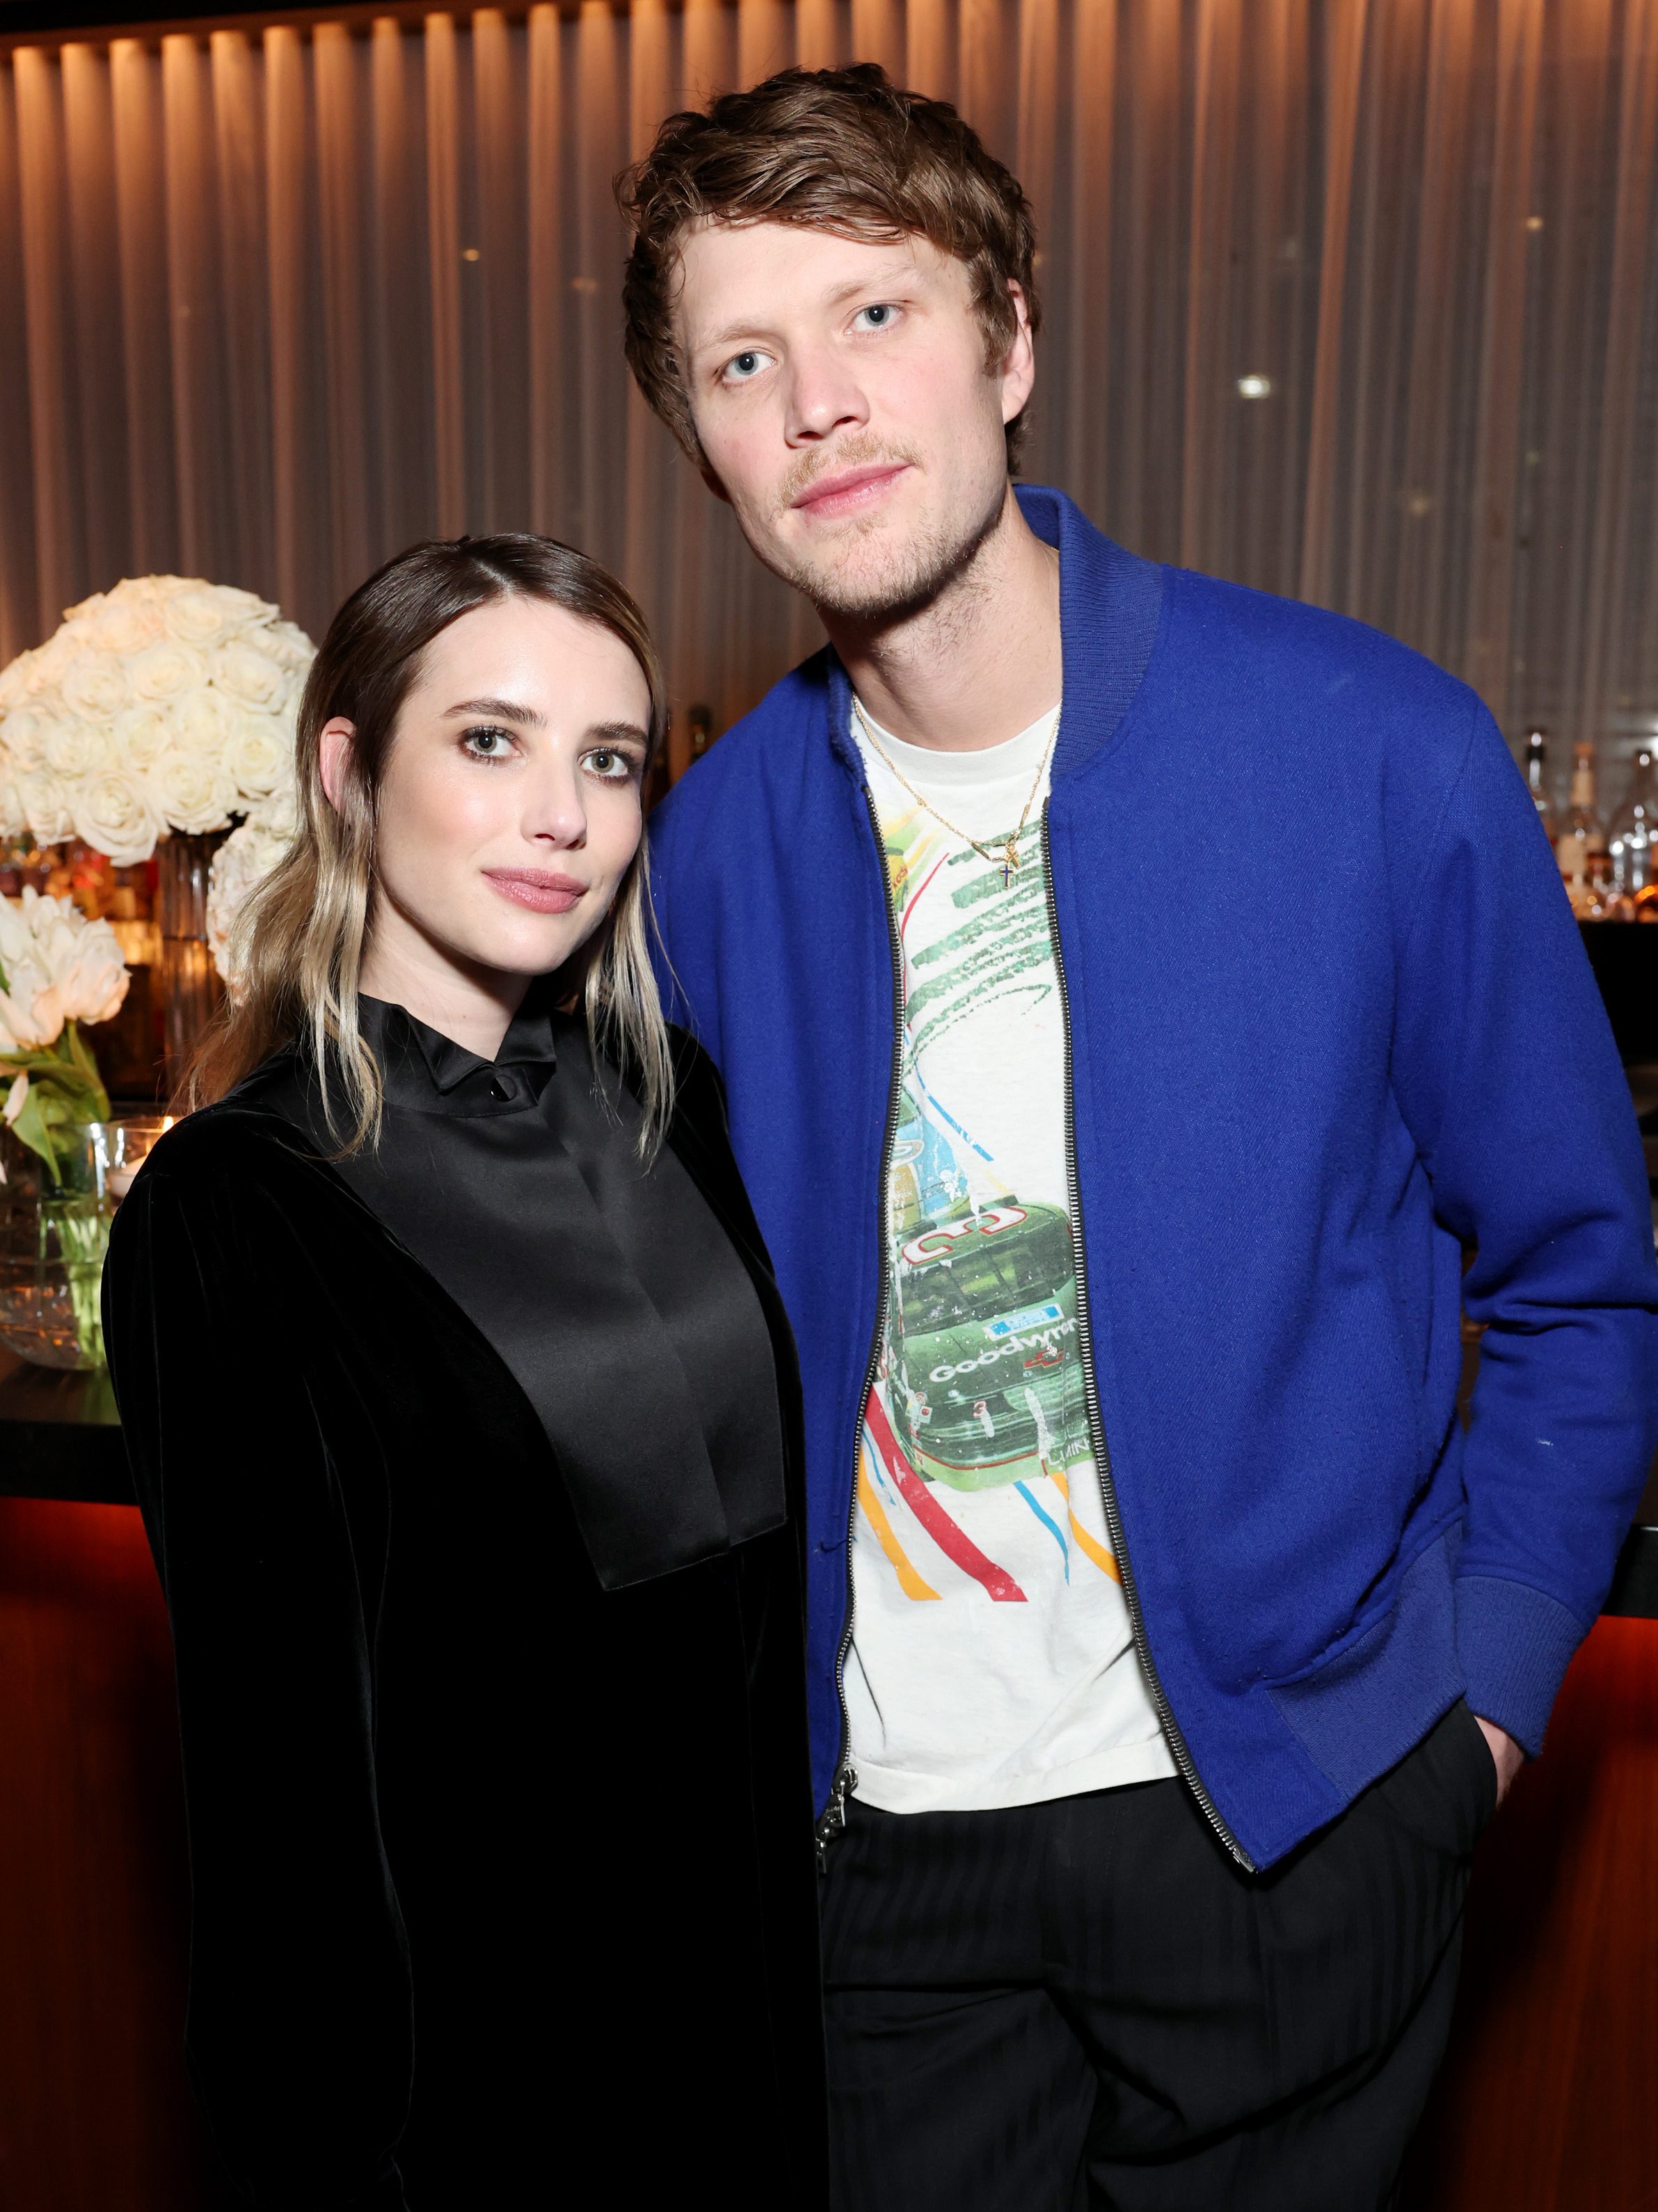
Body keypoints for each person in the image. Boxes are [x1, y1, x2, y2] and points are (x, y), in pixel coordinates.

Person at [617, 65, 1658, 2212]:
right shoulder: (708, 852)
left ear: (1009, 341)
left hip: (1288, 1823)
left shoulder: (1371, 747)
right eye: (743, 360)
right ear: (704, 445)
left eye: (877, 313)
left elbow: (1580, 1273)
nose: (818, 401)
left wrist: (1470, 1718)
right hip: (880, 1867)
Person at [102, 537, 828, 2209]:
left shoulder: (665, 1101)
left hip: (742, 2037)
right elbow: (279, 1801)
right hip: (478, 2093)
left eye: (608, 760)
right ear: (349, 773)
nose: (560, 815)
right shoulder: (240, 1209)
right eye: (490, 741)